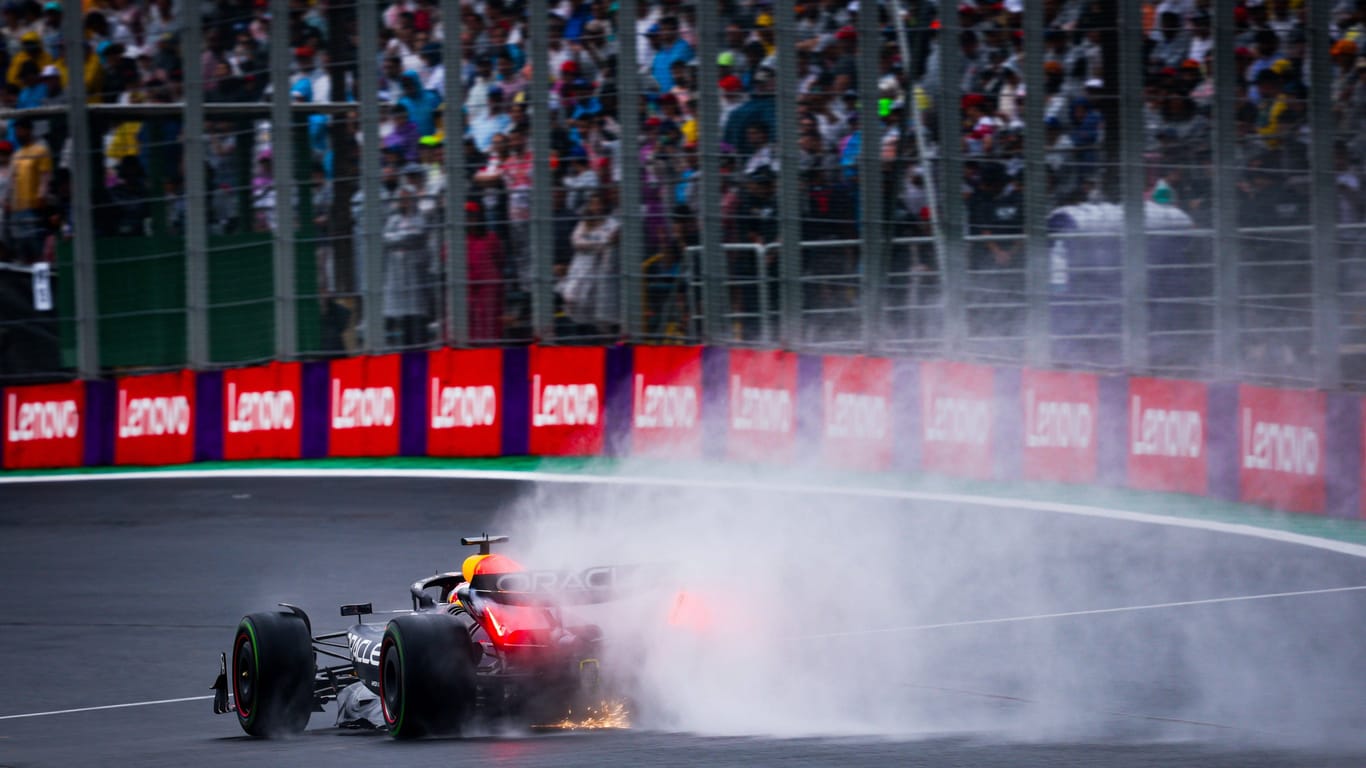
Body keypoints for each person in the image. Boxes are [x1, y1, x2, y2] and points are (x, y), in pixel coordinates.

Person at [560, 191, 619, 333]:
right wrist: (601, 243)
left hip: (600, 268)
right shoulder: (585, 223)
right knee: (571, 297)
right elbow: (576, 241)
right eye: (593, 203)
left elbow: (611, 244)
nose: (596, 206)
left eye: (599, 203)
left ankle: (598, 336)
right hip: (580, 266)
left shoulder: (613, 224)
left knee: (597, 308)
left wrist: (594, 244)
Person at [382, 186, 433, 347]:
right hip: (398, 278)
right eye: (401, 199)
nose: (404, 202)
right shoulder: (393, 220)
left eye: (407, 198)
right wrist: (403, 238)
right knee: (402, 323)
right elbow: (386, 239)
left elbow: (417, 236)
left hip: (416, 277)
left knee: (417, 323)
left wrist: (398, 239)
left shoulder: (420, 218)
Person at [7, 116, 51, 264]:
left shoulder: (40, 150)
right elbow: (12, 181)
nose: (18, 134)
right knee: (21, 249)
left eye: (20, 130)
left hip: (34, 207)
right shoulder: (17, 154)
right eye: (16, 131)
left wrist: (41, 195)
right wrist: (8, 200)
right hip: (18, 209)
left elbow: (45, 176)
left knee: (36, 247)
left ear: (29, 130)